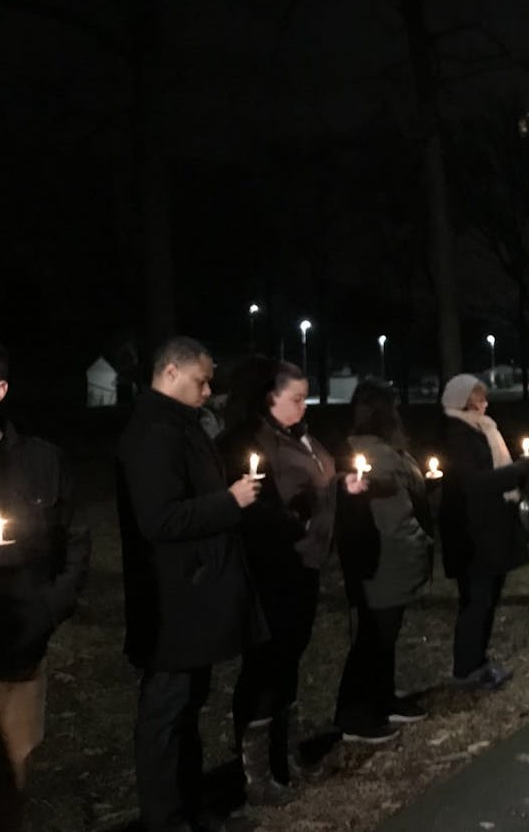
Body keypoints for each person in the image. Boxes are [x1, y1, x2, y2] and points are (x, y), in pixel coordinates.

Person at [117, 337, 267, 832]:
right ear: (170, 372)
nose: (207, 391)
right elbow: (159, 518)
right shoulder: (154, 431)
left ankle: (189, 807)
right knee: (166, 713)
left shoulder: (180, 425)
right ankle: (165, 819)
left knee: (187, 707)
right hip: (171, 600)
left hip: (191, 595)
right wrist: (230, 501)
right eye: (201, 381)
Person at [0, 334, 90, 831]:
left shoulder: (41, 462)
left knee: (5, 792)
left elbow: (75, 545)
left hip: (18, 660)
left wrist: (47, 611)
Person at [216, 358, 366, 801]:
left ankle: (288, 757)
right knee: (266, 663)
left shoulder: (301, 436)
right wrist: (293, 522)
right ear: (270, 398)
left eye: (306, 397)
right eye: (296, 398)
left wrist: (342, 485)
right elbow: (255, 507)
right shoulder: (253, 443)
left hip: (306, 566)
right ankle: (256, 773)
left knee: (290, 660)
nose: (304, 406)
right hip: (273, 570)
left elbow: (320, 481)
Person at [334, 380, 436, 743]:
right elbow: (376, 498)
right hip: (384, 558)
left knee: (384, 635)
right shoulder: (372, 454)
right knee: (373, 637)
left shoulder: (385, 451)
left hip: (395, 553)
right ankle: (355, 715)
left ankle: (383, 698)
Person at [439, 374, 529, 691]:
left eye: (484, 398)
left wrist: (518, 474)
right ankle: (467, 668)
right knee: (476, 601)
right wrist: (516, 471)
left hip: (491, 528)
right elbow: (474, 483)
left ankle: (479, 662)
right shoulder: (458, 435)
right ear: (463, 402)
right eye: (478, 399)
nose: (484, 404)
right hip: (472, 534)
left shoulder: (482, 429)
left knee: (488, 599)